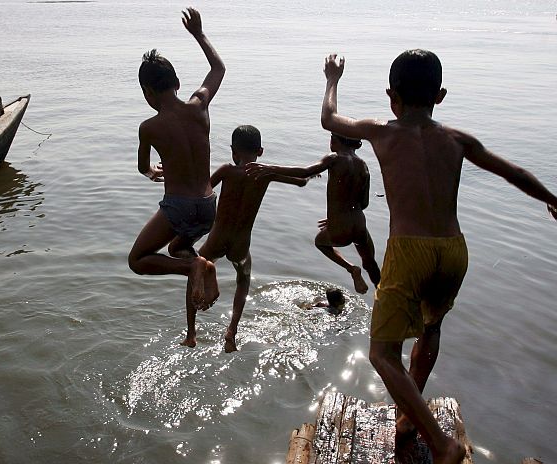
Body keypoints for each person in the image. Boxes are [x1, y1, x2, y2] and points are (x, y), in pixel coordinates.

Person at [319, 49, 557, 464]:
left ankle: (442, 445)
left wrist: (332, 77)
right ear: (440, 95)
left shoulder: (381, 130)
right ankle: (407, 418)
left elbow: (330, 118)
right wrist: (551, 198)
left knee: (382, 354)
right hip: (453, 252)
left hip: (410, 251)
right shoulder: (457, 139)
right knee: (431, 328)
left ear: (391, 97)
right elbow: (513, 172)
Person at [128, 7, 225, 312]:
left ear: (147, 92)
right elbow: (218, 69)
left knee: (138, 260)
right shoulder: (200, 105)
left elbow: (144, 168)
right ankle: (202, 265)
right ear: (178, 83)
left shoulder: (149, 128)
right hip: (209, 206)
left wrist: (154, 172)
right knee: (178, 247)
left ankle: (191, 269)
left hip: (179, 207)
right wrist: (198, 33)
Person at [184, 125, 307, 352]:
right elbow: (301, 181)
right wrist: (286, 172)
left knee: (195, 272)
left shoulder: (227, 171)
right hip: (241, 243)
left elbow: (201, 190)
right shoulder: (265, 174)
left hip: (217, 238)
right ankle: (231, 332)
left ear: (233, 151)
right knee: (243, 279)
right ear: (260, 151)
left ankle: (191, 334)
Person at [246, 133, 382, 294]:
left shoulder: (334, 158)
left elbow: (305, 172)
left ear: (334, 141)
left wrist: (269, 168)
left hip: (340, 229)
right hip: (359, 224)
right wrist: (340, 215)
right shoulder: (363, 165)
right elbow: (364, 203)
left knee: (320, 242)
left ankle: (351, 269)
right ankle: (384, 294)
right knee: (369, 262)